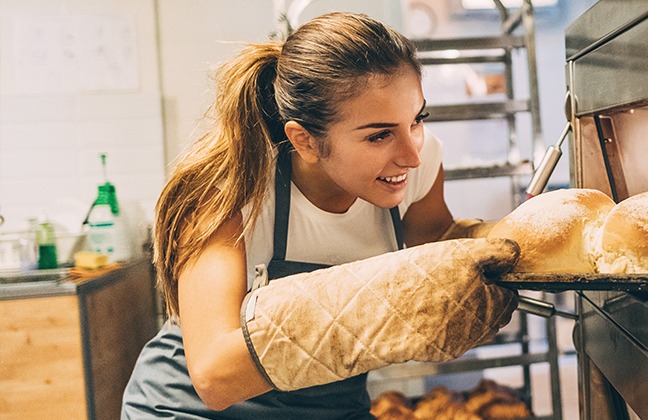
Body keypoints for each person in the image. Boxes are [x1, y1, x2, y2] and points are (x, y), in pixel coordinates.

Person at [122, 12, 518, 418]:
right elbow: (214, 376)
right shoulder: (231, 190)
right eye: (379, 134)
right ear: (305, 140)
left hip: (332, 405)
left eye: (417, 119)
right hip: (194, 409)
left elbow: (438, 245)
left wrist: (519, 245)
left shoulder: (418, 161)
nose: (412, 154)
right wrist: (381, 315)